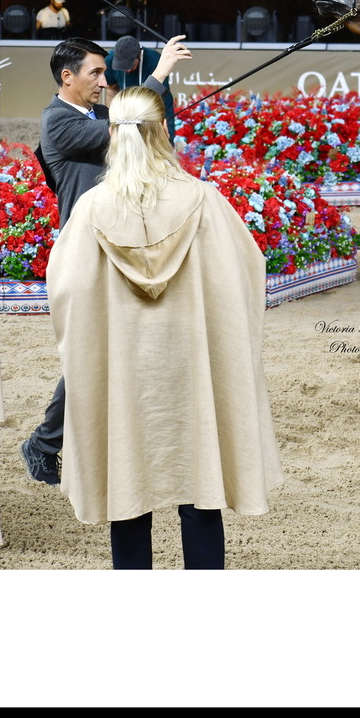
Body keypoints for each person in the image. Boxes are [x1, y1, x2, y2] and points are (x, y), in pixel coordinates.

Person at [47, 85, 284, 569]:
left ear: (113, 135)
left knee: (127, 485)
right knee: (200, 481)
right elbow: (243, 275)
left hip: (124, 369)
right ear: (164, 131)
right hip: (193, 364)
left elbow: (68, 291)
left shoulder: (92, 208)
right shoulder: (204, 200)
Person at [20, 35, 190, 487]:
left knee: (115, 351)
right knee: (89, 357)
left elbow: (138, 130)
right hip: (87, 254)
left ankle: (77, 442)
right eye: (96, 72)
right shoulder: (57, 121)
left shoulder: (96, 115)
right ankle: (44, 444)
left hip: (119, 246)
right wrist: (159, 73)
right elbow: (129, 122)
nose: (104, 80)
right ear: (67, 77)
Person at [106, 35, 177, 142]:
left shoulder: (155, 60)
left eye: (130, 65)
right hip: (126, 111)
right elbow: (111, 89)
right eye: (123, 67)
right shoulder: (109, 60)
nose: (127, 70)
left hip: (155, 106)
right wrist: (112, 119)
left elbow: (160, 99)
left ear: (139, 54)